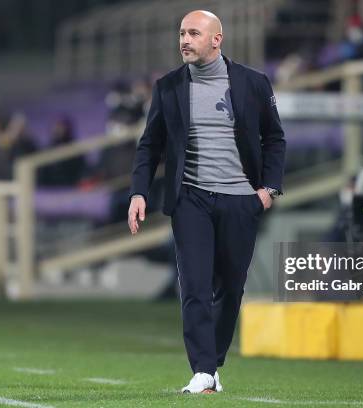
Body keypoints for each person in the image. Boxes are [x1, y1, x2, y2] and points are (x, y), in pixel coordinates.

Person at [127, 10, 286, 394]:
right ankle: (202, 369)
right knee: (195, 286)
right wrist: (138, 191)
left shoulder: (252, 83)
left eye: (193, 33)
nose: (184, 40)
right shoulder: (168, 87)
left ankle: (212, 364)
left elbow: (274, 140)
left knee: (230, 289)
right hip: (190, 200)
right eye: (181, 32)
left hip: (240, 201)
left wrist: (267, 192)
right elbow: (150, 145)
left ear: (217, 39)